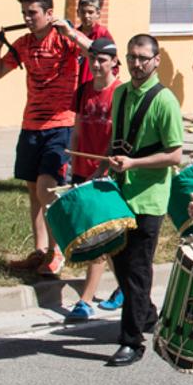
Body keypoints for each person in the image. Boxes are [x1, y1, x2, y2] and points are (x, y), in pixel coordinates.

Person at [0, 0, 91, 276]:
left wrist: (71, 32)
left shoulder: (64, 40)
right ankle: (40, 251)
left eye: (32, 12)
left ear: (49, 13)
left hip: (61, 125)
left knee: (48, 189)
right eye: (24, 13)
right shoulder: (22, 43)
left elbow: (95, 53)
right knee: (33, 190)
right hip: (30, 125)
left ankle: (58, 251)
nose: (27, 17)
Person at [104, 34, 184, 366]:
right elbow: (116, 142)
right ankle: (147, 315)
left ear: (155, 61)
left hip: (149, 198)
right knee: (121, 265)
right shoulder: (120, 93)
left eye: (143, 58)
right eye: (132, 57)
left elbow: (176, 155)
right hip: (120, 192)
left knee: (137, 269)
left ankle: (132, 341)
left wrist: (135, 164)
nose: (137, 64)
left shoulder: (165, 101)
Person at [65, 38, 124, 321]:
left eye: (102, 59)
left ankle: (85, 301)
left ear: (114, 62)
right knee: (104, 238)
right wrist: (72, 164)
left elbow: (116, 138)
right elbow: (77, 129)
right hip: (81, 168)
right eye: (93, 59)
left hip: (104, 174)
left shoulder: (120, 94)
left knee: (98, 236)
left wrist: (102, 170)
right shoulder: (84, 91)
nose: (96, 64)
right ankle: (126, 286)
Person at [74, 0, 114, 91]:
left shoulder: (103, 34)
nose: (86, 16)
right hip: (75, 88)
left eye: (90, 12)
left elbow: (113, 65)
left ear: (98, 14)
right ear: (78, 13)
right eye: (83, 12)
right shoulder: (74, 35)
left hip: (95, 87)